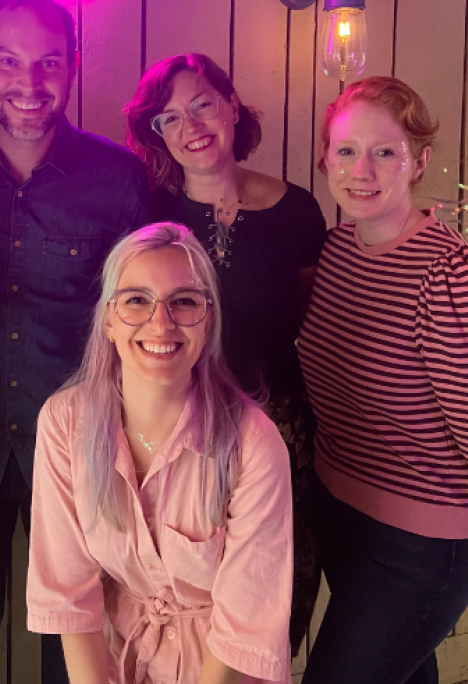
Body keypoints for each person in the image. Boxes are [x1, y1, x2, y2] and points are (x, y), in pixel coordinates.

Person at [296, 77, 468, 684]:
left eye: (385, 151)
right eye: (346, 150)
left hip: (421, 544)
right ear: (326, 158)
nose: (362, 170)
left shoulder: (451, 280)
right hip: (340, 507)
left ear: (418, 161)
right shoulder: (336, 252)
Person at [0, 0, 151, 684]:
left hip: (79, 455)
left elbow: (145, 321)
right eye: (9, 61)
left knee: (80, 645)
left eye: (49, 62)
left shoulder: (119, 180)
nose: (29, 83)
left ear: (74, 65)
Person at [123, 52, 328, 654]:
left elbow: (304, 318)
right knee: (190, 590)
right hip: (174, 429)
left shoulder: (298, 212)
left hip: (277, 423)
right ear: (158, 135)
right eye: (169, 118)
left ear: (233, 107)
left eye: (202, 104)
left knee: (273, 589)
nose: (190, 126)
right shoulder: (151, 212)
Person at [27, 222, 293, 684]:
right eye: (137, 300)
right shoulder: (64, 423)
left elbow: (245, 626)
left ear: (208, 321)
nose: (161, 323)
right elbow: (70, 596)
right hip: (119, 658)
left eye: (184, 301)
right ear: (109, 320)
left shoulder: (253, 443)